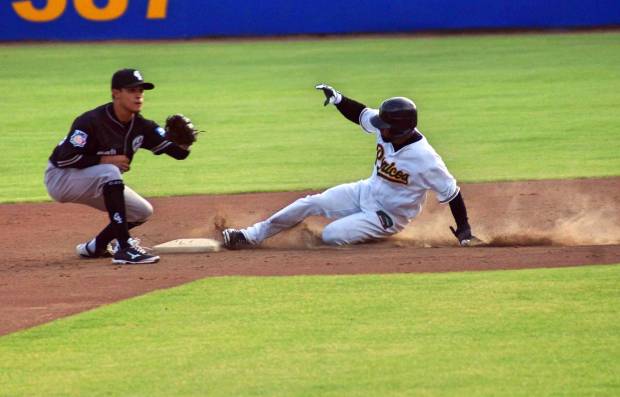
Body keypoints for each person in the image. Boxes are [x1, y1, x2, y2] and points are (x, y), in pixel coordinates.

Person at [222, 83, 479, 249]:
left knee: (331, 236)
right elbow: (361, 115)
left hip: (387, 217)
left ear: (402, 129)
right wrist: (338, 99)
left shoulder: (426, 159)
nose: (380, 129)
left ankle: (367, 238)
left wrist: (464, 228)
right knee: (309, 203)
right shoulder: (387, 127)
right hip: (364, 191)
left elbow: (452, 192)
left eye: (385, 127)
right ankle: (249, 236)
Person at [45, 68, 193, 264]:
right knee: (110, 171)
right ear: (116, 93)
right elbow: (65, 158)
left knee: (141, 211)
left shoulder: (142, 127)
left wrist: (185, 142)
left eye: (141, 90)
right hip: (62, 178)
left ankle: (96, 246)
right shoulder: (91, 121)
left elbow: (178, 154)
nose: (138, 95)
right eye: (132, 90)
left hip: (96, 181)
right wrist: (105, 160)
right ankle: (125, 248)